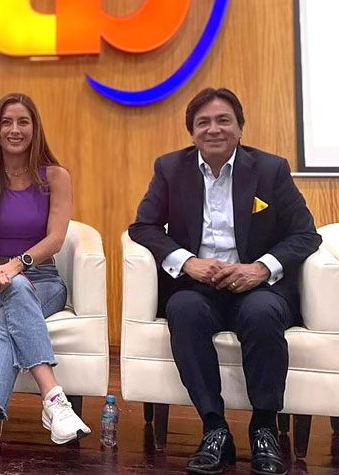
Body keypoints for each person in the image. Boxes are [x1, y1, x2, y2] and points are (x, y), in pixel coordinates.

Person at [129, 87, 321, 475]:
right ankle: (214, 428)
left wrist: (261, 268)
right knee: (182, 309)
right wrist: (188, 263)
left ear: (239, 128)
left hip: (257, 288)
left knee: (263, 314)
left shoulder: (270, 169)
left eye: (223, 120)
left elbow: (306, 234)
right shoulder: (170, 168)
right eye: (203, 122)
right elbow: (143, 227)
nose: (213, 129)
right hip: (199, 288)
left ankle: (264, 427)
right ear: (192, 132)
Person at [0, 93, 90, 467]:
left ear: (34, 128)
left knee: (10, 317)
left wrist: (16, 266)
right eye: (6, 122)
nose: (14, 129)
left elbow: (56, 238)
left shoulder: (56, 177)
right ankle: (54, 398)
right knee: (14, 292)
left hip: (43, 278)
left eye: (22, 122)